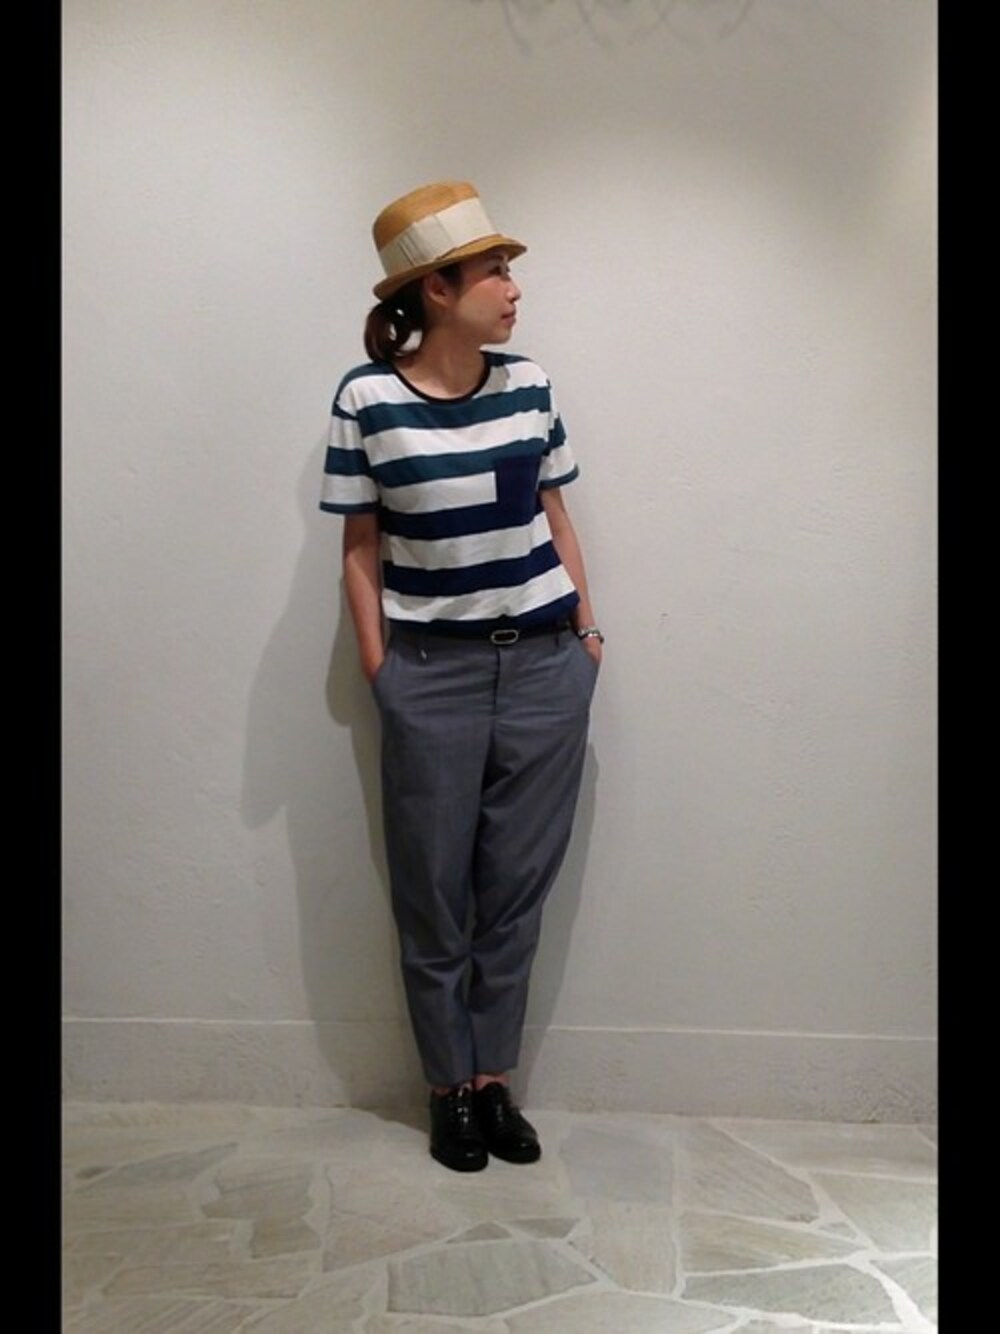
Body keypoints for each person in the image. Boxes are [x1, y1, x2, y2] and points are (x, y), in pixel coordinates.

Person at [320, 180, 603, 1172]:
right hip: (429, 673)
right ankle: (447, 1089)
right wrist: (382, 669)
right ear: (436, 291)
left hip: (544, 664)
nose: (513, 287)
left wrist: (586, 632)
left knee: (514, 890)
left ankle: (492, 1082)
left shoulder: (530, 384)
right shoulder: (367, 399)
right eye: (494, 270)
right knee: (433, 893)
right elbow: (360, 544)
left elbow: (556, 514)